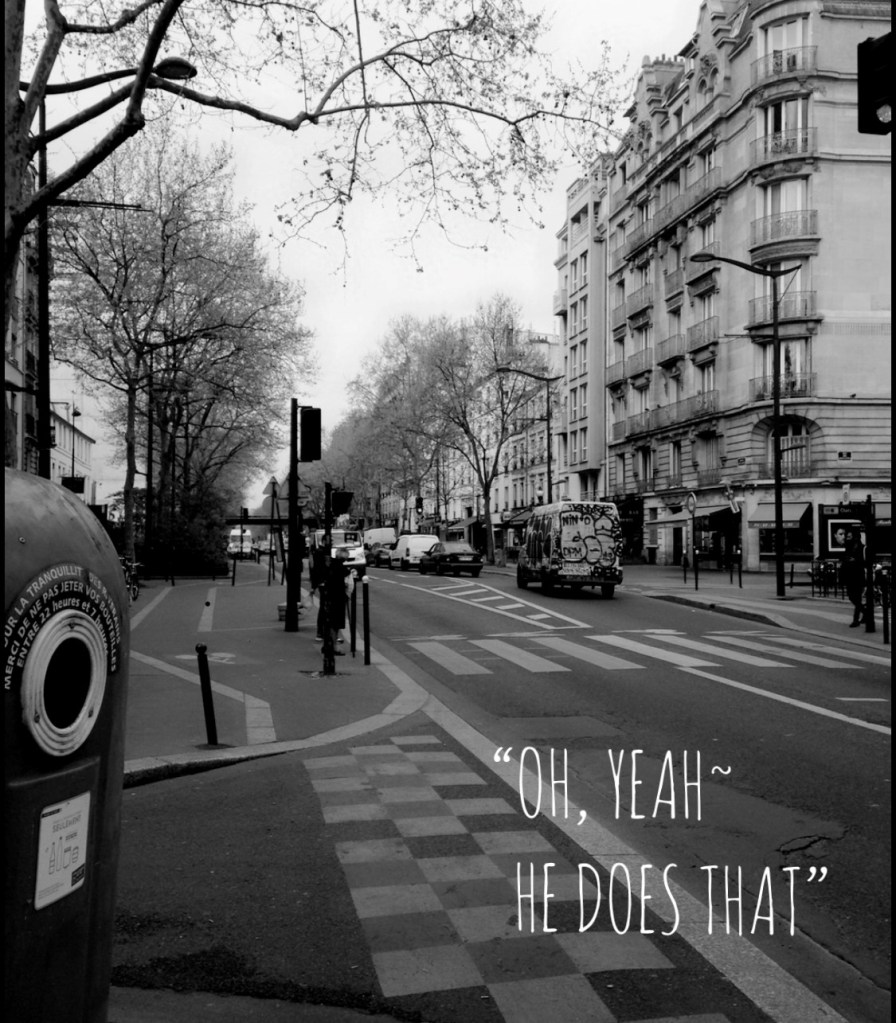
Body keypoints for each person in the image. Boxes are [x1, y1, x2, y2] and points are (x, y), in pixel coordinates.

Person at [840, 531, 866, 627]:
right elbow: (844, 562)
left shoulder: (862, 548)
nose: (847, 538)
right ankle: (866, 613)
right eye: (847, 536)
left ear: (855, 537)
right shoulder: (848, 547)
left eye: (849, 537)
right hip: (849, 576)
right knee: (851, 597)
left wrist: (855, 560)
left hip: (857, 575)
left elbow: (865, 561)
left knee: (857, 598)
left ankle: (856, 620)